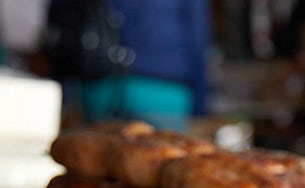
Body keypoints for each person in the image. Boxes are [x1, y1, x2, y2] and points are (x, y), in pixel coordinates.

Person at [43, 0, 210, 131]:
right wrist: (200, 107)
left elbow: (59, 30)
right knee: (164, 161)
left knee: (96, 165)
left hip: (101, 81)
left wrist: (59, 95)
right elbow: (197, 39)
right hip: (164, 88)